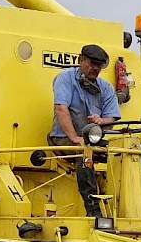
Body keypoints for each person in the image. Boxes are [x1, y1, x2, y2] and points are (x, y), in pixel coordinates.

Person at [48, 44, 121, 217]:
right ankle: (94, 212)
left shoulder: (106, 88)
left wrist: (101, 120)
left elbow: (112, 117)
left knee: (122, 153)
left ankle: (120, 210)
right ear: (81, 60)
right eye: (91, 63)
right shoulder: (65, 79)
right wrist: (74, 137)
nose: (95, 68)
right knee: (84, 153)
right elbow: (61, 109)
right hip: (63, 138)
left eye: (99, 65)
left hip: (92, 140)